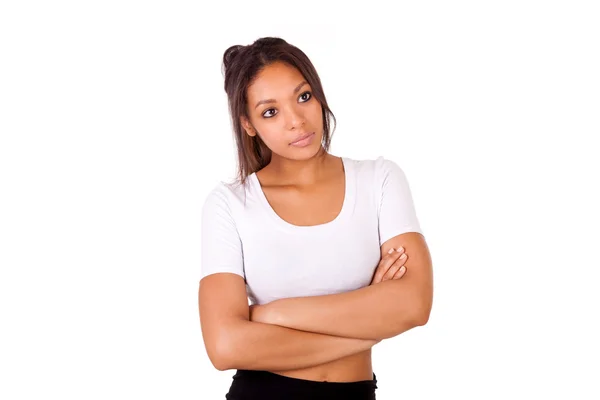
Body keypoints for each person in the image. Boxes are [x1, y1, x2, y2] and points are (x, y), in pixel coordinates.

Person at [198, 36, 434, 400]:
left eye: (303, 96)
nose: (296, 120)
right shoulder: (230, 204)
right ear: (248, 124)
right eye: (270, 112)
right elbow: (226, 346)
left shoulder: (380, 180)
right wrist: (371, 322)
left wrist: (272, 315)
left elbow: (414, 304)